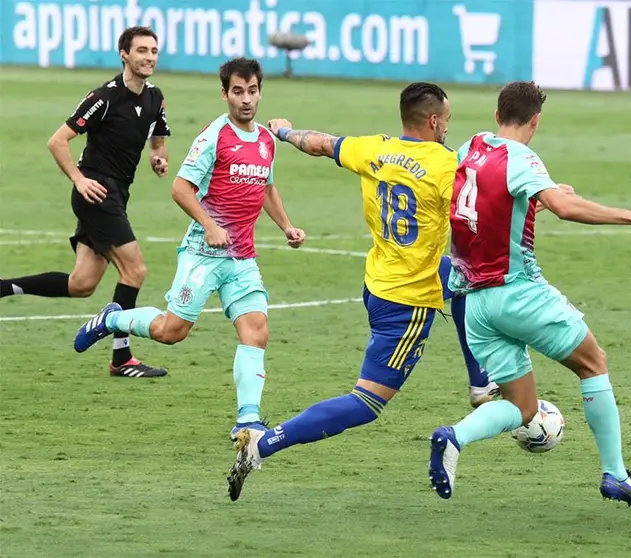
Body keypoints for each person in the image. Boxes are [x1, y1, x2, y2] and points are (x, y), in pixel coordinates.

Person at [224, 82, 497, 501]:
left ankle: (480, 383)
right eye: (446, 120)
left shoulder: (374, 148)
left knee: (463, 279)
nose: (447, 127)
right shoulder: (447, 165)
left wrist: (284, 132)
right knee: (366, 403)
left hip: (378, 282)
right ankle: (263, 445)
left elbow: (319, 143)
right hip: (408, 300)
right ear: (434, 120)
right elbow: (482, 208)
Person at [427, 81, 631, 509]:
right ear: (536, 122)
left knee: (522, 407)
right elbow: (565, 208)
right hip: (517, 294)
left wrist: (539, 198)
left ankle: (454, 437)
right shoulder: (522, 158)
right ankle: (615, 475)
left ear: (497, 114)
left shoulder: (472, 146)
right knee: (593, 363)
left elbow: (486, 204)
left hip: (476, 304)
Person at [73, 57, 305, 438]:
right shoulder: (214, 136)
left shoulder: (265, 140)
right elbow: (180, 189)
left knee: (256, 331)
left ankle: (247, 420)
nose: (246, 99)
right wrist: (210, 226)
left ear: (260, 92)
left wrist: (287, 226)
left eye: (252, 91)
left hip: (241, 258)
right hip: (203, 253)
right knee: (172, 331)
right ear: (225, 94)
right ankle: (112, 319)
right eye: (238, 92)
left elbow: (266, 188)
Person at [1, 26, 171, 378]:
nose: (149, 57)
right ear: (124, 54)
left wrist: (159, 158)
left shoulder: (155, 97)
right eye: (142, 50)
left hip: (117, 194)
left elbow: (158, 138)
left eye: (154, 51)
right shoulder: (103, 97)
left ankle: (4, 287)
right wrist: (79, 180)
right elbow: (57, 141)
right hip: (97, 193)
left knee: (82, 283)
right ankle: (122, 358)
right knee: (135, 271)